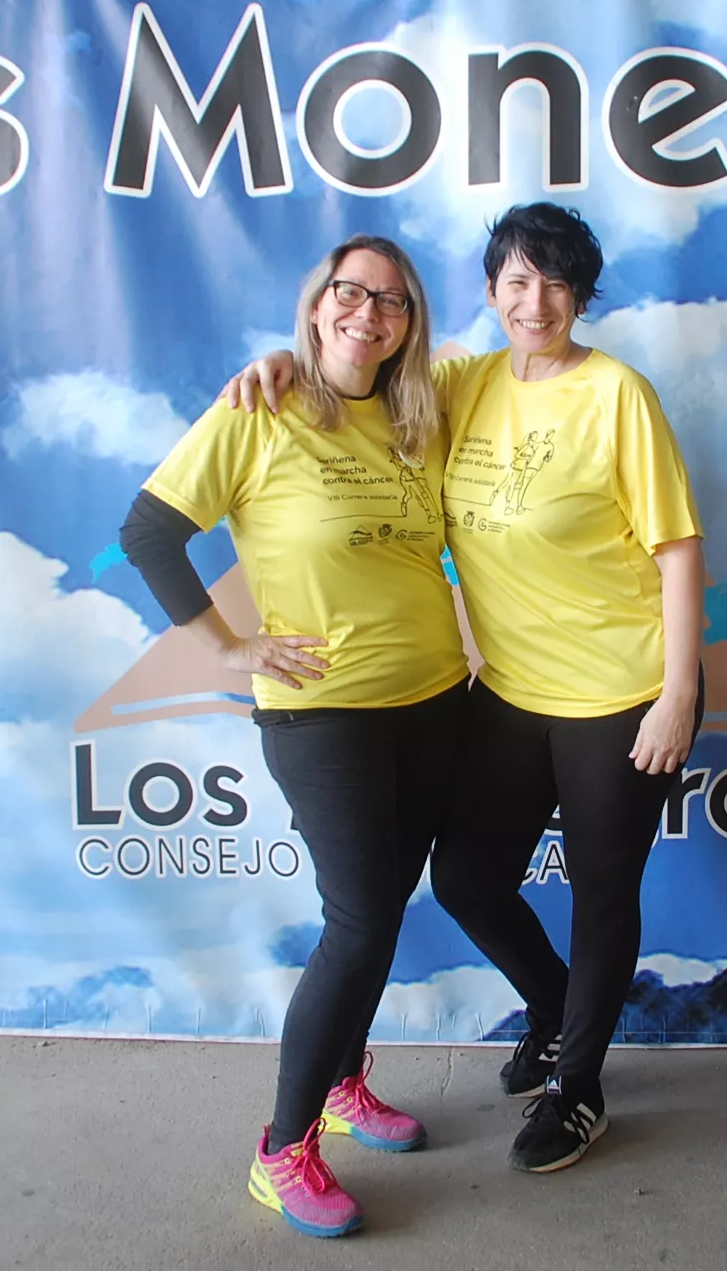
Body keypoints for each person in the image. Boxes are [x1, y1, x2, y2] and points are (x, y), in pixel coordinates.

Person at [231, 203, 705, 1175]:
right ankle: (553, 1007)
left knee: (603, 891)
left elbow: (677, 546)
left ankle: (579, 1087)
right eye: (517, 280)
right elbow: (355, 384)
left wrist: (678, 691)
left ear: (582, 294)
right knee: (466, 877)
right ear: (491, 293)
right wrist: (284, 367)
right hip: (511, 690)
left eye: (558, 281)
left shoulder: (618, 394)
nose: (537, 301)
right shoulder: (462, 381)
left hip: (620, 689)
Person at [119, 235, 466, 1238]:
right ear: (316, 304)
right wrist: (226, 647)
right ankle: (283, 1147)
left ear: (410, 323)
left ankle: (348, 1084)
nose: (368, 313)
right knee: (358, 923)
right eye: (349, 293)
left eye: (391, 301)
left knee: (385, 913)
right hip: (327, 713)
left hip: (436, 697)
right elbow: (150, 530)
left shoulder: (420, 415)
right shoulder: (262, 408)